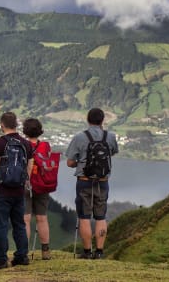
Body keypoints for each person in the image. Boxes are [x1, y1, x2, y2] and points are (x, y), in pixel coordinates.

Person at [66, 108, 118, 259]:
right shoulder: (110, 136)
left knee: (84, 217)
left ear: (88, 120)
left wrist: (80, 163)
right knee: (101, 217)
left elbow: (69, 162)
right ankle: (100, 252)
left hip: (84, 182)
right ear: (103, 120)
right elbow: (112, 153)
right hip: (103, 182)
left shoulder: (79, 137)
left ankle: (87, 252)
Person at [0, 112, 33, 269]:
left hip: (1, 190)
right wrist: (24, 181)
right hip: (19, 191)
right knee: (19, 224)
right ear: (16, 124)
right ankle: (22, 256)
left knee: (1, 226)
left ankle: (1, 259)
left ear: (2, 125)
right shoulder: (26, 144)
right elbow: (29, 167)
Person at [22, 118, 51, 260]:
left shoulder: (22, 145)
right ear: (40, 130)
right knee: (42, 218)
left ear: (25, 131)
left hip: (25, 185)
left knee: (25, 219)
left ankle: (24, 252)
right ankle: (45, 252)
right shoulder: (45, 145)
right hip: (41, 185)